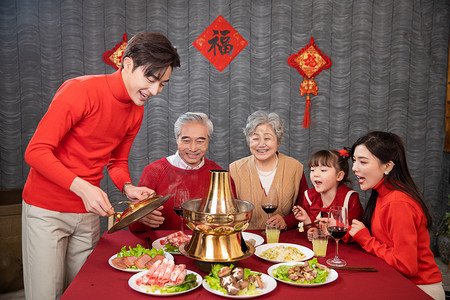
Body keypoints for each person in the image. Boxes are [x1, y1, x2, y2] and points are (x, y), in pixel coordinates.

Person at [22, 33, 180, 300]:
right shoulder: (79, 90)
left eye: (162, 84)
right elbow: (36, 151)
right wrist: (83, 187)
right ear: (127, 64)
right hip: (46, 211)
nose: (154, 91)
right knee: (46, 295)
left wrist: (127, 187)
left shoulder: (136, 110)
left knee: (85, 291)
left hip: (88, 213)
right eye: (151, 79)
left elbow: (116, 161)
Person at [349, 131, 444, 300]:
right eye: (354, 160)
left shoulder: (398, 203)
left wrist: (366, 239)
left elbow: (406, 266)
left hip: (419, 288)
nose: (354, 168)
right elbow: (385, 240)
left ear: (388, 166)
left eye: (362, 161)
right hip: (398, 280)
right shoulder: (382, 194)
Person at [129, 112, 222, 231]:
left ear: (208, 141)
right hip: (163, 246)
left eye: (200, 141)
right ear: (177, 139)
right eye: (186, 140)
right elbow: (134, 228)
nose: (193, 148)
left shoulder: (219, 173)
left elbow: (229, 221)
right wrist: (139, 218)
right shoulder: (154, 171)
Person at [229, 110, 308, 230]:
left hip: (285, 243)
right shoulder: (235, 170)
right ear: (248, 141)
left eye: (267, 138)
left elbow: (305, 208)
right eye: (255, 138)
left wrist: (287, 221)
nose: (261, 144)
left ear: (278, 141)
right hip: (248, 241)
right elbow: (228, 213)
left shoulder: (295, 168)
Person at [292, 149, 364, 240]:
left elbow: (355, 234)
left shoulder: (350, 198)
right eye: (312, 170)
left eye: (323, 170)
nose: (315, 174)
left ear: (339, 176)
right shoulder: (309, 196)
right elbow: (315, 228)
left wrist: (332, 231)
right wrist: (308, 222)